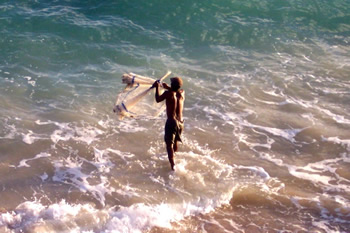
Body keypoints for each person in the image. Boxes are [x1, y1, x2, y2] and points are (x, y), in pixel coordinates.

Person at [152, 77, 185, 171]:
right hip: (181, 123)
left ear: (172, 85)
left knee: (169, 145)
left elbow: (158, 99)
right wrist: (168, 87)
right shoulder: (182, 93)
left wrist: (157, 87)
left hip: (172, 121)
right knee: (175, 142)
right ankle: (174, 158)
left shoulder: (168, 94)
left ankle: (173, 167)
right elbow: (176, 91)